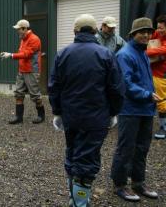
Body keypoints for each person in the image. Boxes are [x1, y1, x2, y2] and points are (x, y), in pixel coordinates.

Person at [49, 14, 125, 207]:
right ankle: (80, 201)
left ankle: (75, 197)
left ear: (75, 31)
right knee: (87, 160)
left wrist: (57, 112)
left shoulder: (63, 54)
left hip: (71, 117)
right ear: (94, 31)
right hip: (96, 119)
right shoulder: (105, 54)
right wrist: (113, 112)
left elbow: (54, 86)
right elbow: (116, 88)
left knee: (72, 153)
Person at [111, 17, 160, 202]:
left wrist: (150, 95)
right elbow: (126, 83)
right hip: (130, 109)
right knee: (126, 148)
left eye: (149, 32)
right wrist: (147, 94)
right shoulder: (125, 54)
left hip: (146, 109)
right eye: (142, 32)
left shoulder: (142, 52)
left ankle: (138, 182)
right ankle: (119, 185)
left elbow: (145, 80)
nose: (146, 35)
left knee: (142, 148)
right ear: (133, 34)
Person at [0, 19, 45, 124]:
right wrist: (10, 54)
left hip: (32, 71)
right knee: (19, 93)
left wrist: (11, 55)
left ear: (25, 29)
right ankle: (18, 117)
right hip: (22, 70)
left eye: (19, 29)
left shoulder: (34, 39)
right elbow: (22, 54)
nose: (17, 31)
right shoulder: (23, 39)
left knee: (35, 95)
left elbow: (26, 54)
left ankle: (41, 115)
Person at [96, 16, 126, 128]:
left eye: (113, 28)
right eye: (109, 27)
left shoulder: (117, 39)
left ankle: (111, 116)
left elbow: (126, 51)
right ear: (103, 26)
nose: (112, 30)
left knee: (112, 93)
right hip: (98, 72)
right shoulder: (95, 38)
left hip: (112, 71)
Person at [146, 15, 166, 139]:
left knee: (162, 101)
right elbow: (148, 39)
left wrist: (145, 51)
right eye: (158, 28)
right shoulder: (156, 34)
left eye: (162, 28)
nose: (159, 30)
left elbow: (163, 49)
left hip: (161, 74)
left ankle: (163, 128)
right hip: (153, 72)